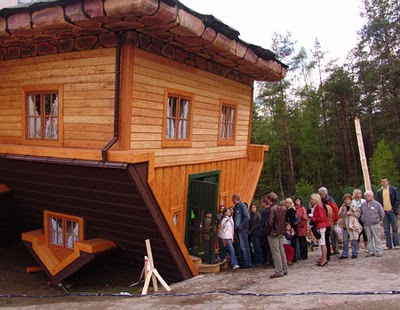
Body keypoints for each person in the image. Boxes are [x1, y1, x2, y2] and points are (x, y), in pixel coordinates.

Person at [265, 192, 288, 278]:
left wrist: (267, 231)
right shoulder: (280, 208)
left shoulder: (271, 209)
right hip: (280, 231)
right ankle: (284, 269)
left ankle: (279, 271)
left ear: (270, 200)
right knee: (281, 251)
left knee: (276, 252)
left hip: (273, 233)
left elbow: (270, 223)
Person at [376, 177, 399, 250]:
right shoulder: (379, 192)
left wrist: (394, 208)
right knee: (386, 229)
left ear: (388, 182)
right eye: (382, 181)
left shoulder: (394, 189)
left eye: (385, 181)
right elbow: (379, 202)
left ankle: (396, 243)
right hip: (384, 212)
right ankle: (388, 245)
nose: (384, 183)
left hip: (392, 211)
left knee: (395, 228)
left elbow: (397, 200)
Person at [361, 191, 385, 257]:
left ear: (372, 196)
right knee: (369, 238)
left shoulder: (377, 204)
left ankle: (379, 251)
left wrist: (379, 220)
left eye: (368, 195)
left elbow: (382, 213)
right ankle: (371, 251)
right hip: (366, 224)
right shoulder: (363, 204)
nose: (367, 197)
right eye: (366, 196)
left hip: (375, 223)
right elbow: (361, 212)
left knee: (377, 238)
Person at [338, 193, 362, 259]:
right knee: (345, 240)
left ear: (350, 200)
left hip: (352, 226)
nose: (346, 201)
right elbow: (339, 215)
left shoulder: (354, 206)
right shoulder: (342, 207)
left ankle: (355, 252)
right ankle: (345, 253)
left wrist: (352, 214)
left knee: (354, 239)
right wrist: (343, 210)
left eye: (348, 199)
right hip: (345, 226)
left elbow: (358, 214)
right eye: (345, 199)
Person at [232, 194, 252, 268]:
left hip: (242, 229)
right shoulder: (236, 207)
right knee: (240, 246)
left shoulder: (242, 206)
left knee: (244, 246)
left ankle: (247, 263)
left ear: (235, 199)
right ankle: (243, 262)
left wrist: (241, 225)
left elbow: (247, 217)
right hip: (237, 229)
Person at [310, 193, 330, 266]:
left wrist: (313, 219)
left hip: (321, 226)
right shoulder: (317, 207)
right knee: (322, 243)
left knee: (322, 243)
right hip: (320, 226)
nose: (311, 201)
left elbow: (321, 218)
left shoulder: (319, 207)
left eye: (312, 199)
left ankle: (324, 259)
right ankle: (323, 258)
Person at [319, 187, 339, 255]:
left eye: (322, 194)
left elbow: (335, 209)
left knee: (333, 235)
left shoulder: (330, 200)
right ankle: (328, 251)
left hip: (331, 219)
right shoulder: (320, 201)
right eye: (320, 194)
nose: (321, 195)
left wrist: (335, 219)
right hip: (325, 219)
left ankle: (335, 248)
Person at [260, 196, 274, 267]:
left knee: (269, 247)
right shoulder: (266, 210)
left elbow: (264, 222)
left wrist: (262, 229)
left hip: (266, 230)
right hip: (267, 230)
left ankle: (272, 261)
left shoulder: (266, 211)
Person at [352, 189, 368, 253]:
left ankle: (366, 247)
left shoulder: (363, 201)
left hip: (363, 218)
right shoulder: (353, 202)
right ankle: (358, 247)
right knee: (358, 233)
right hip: (356, 218)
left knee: (365, 233)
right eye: (358, 193)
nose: (360, 195)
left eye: (360, 193)